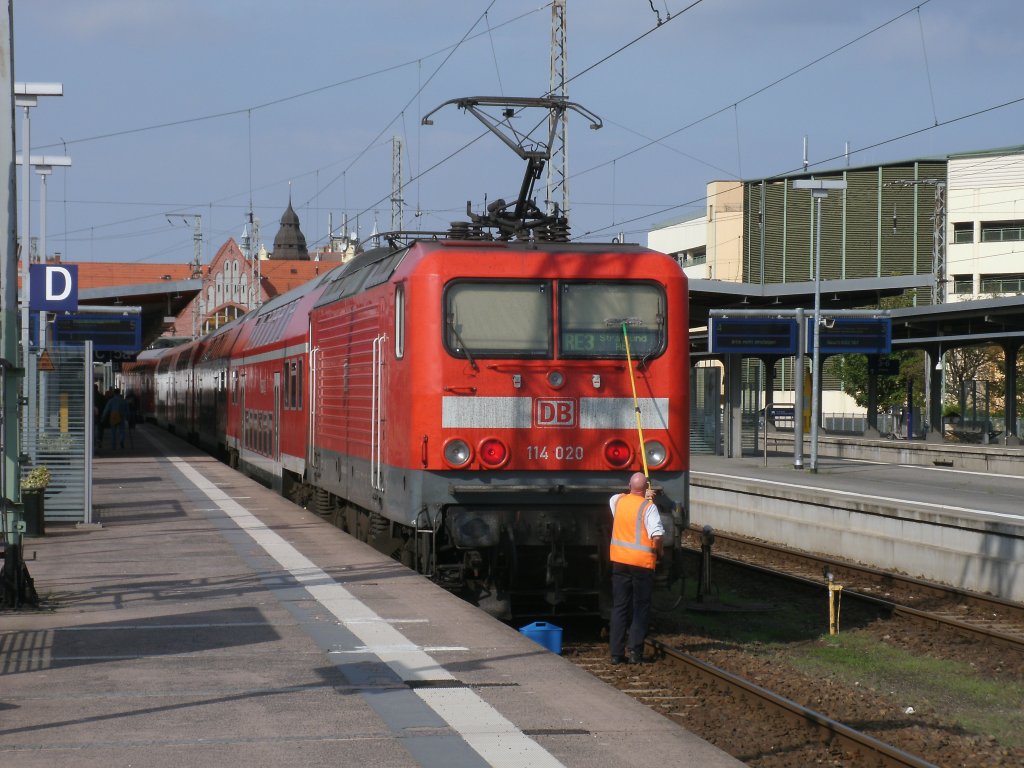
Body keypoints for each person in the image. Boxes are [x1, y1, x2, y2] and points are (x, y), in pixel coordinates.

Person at [609, 471, 664, 665]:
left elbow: (619, 496)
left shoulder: (617, 501)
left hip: (619, 562)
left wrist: (641, 494)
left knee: (619, 606)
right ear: (646, 489)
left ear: (629, 486)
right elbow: (656, 535)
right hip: (641, 564)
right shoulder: (648, 508)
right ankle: (634, 652)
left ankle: (615, 654)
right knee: (640, 607)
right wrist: (660, 552)